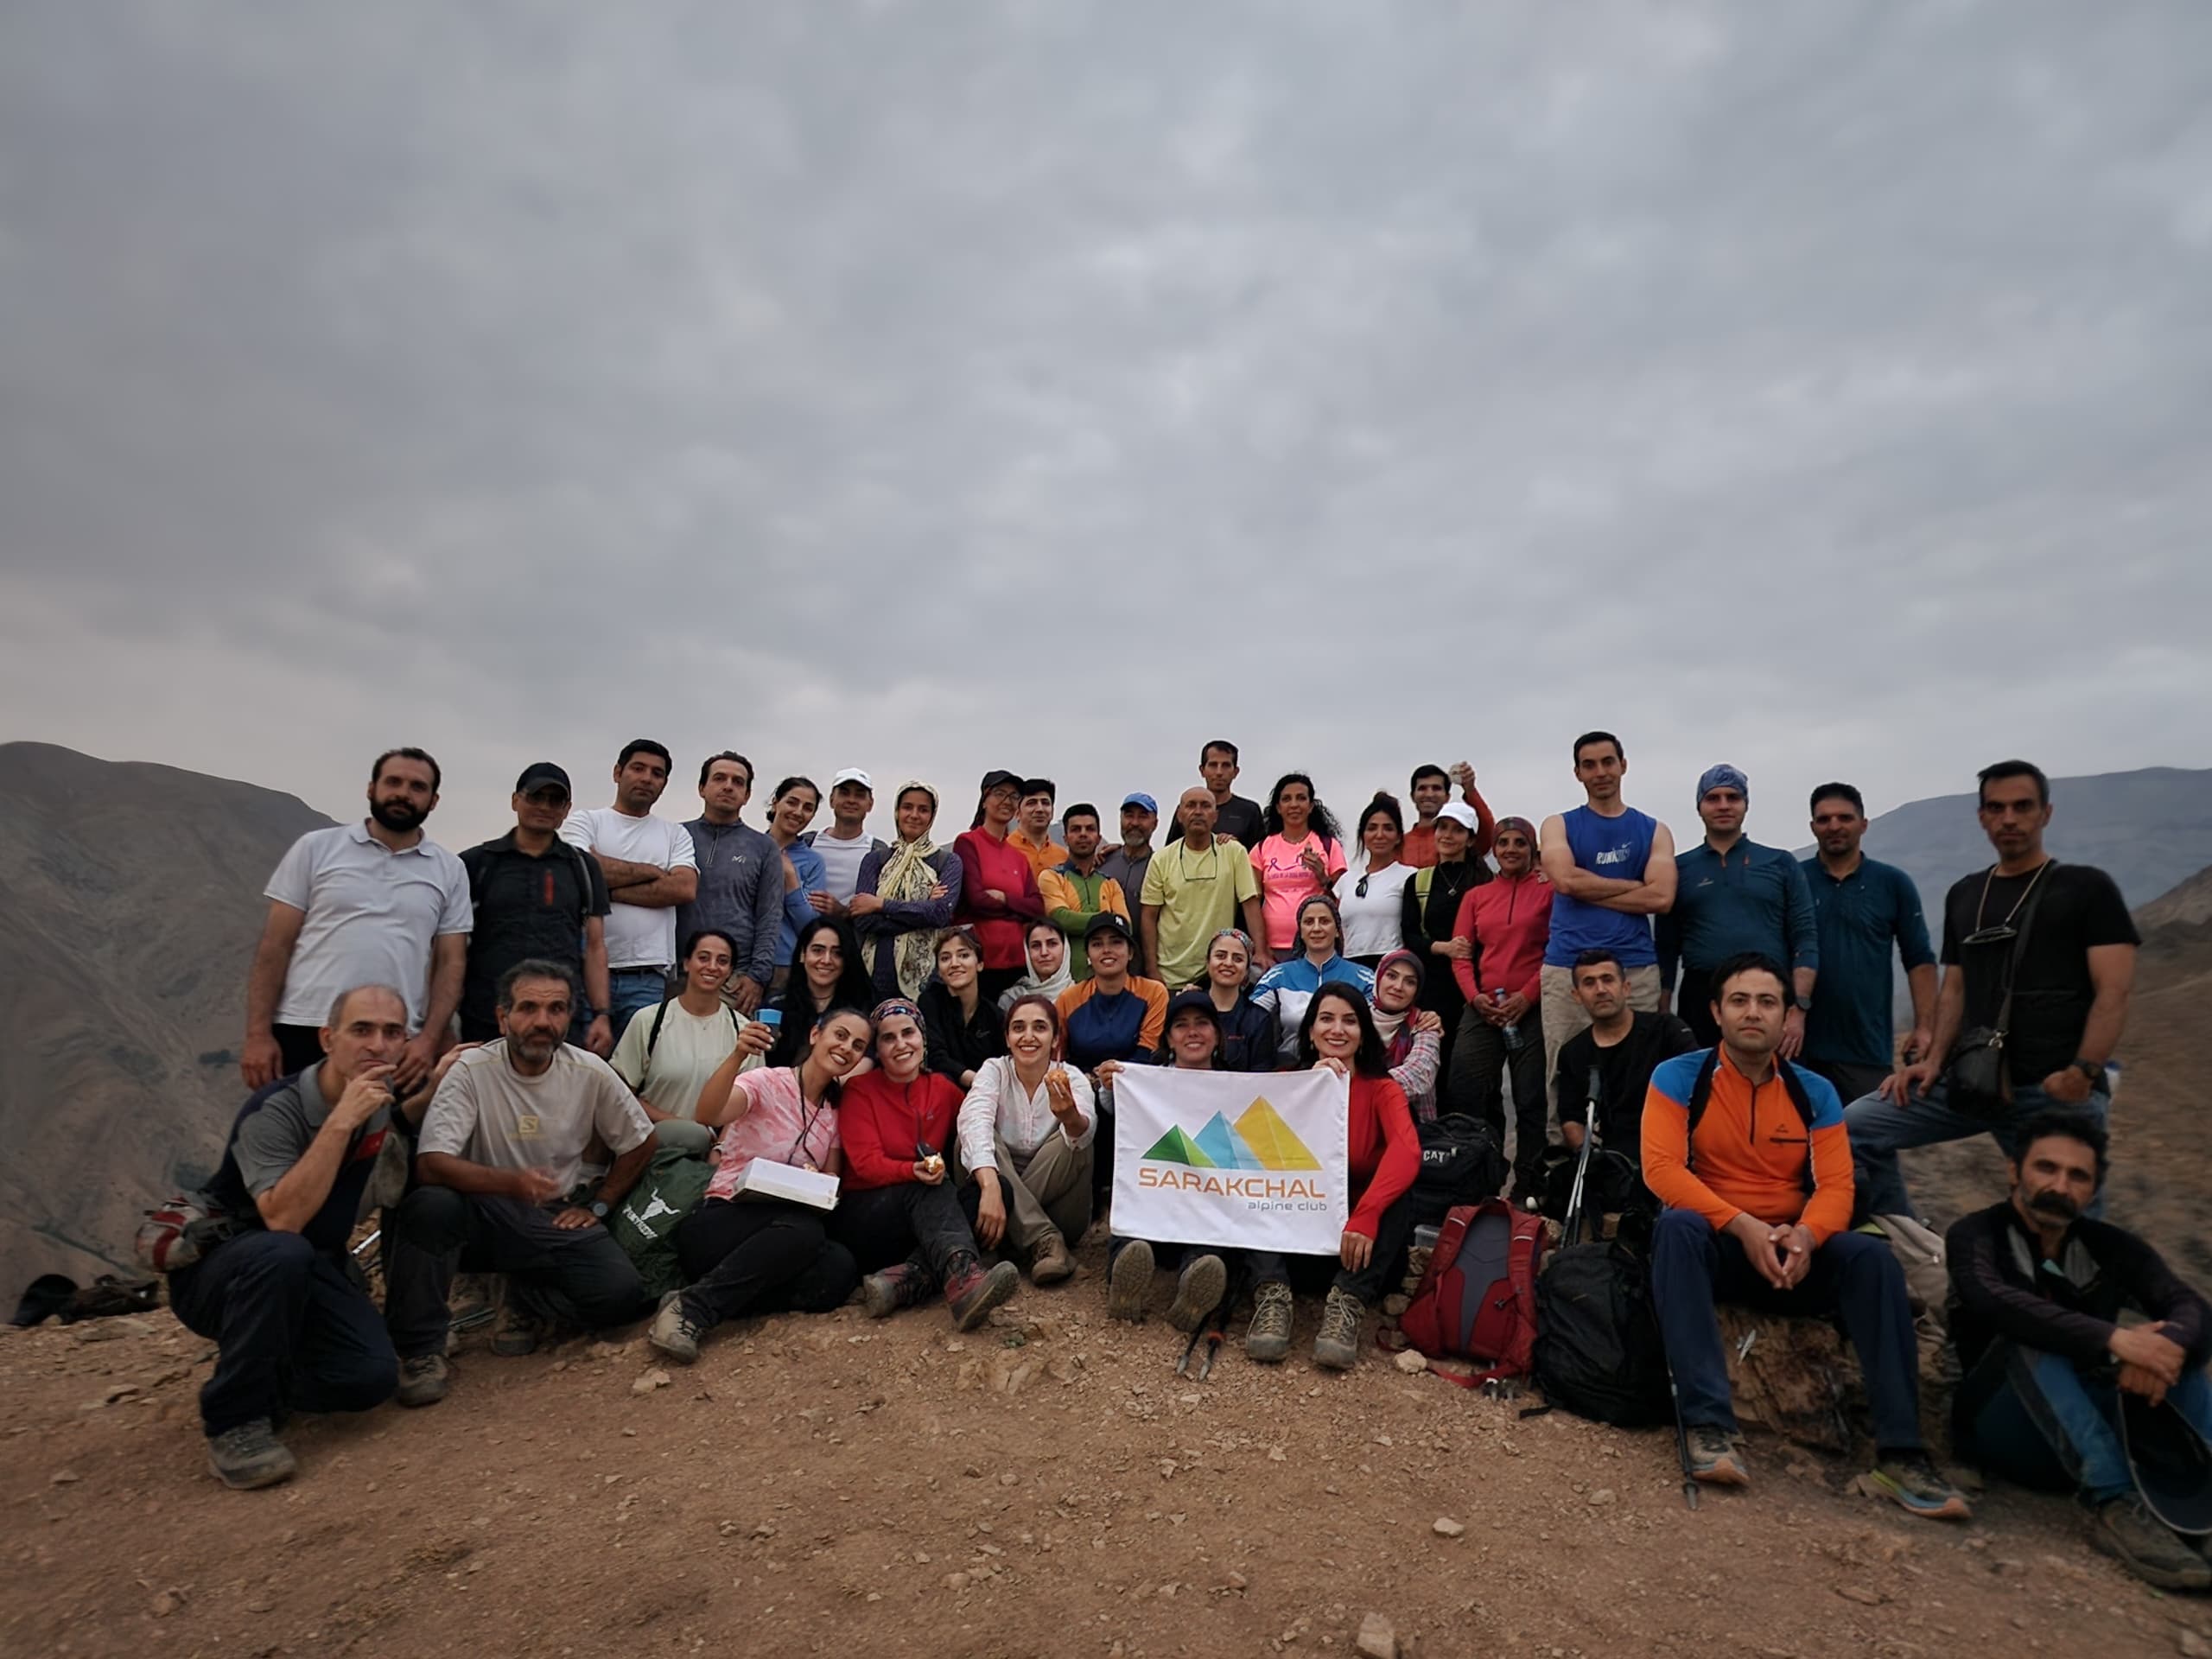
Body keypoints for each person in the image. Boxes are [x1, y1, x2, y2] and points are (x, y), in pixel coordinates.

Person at [1642, 953, 1967, 1518]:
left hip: (1794, 1252)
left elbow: (1837, 1185)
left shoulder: (1813, 1091)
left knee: (1871, 1257)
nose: (1753, 1012)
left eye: (1767, 1002)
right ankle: (1708, 1426)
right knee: (1675, 1228)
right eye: (1740, 1000)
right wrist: (1743, 1226)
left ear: (1786, 1016)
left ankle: (1902, 1454)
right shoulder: (1678, 1078)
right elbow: (1662, 1171)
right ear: (1716, 1012)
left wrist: (1808, 1238)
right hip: (1720, 1247)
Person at [1846, 760, 2139, 1220]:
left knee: (2065, 1222)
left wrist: (2083, 1073)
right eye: (1997, 808)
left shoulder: (2087, 889)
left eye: (2022, 807)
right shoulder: (1967, 894)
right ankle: (1912, 1247)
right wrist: (1932, 1063)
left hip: (2055, 1090)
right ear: (1982, 816)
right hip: (1973, 1081)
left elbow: (2114, 992)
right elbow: (1955, 988)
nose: (2009, 819)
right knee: (1853, 1128)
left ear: (2045, 813)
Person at [168, 985, 431, 1490]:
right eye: (361, 1030)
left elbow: (394, 1131)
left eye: (392, 1032)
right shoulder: (274, 1111)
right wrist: (341, 1121)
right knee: (283, 1252)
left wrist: (436, 1084)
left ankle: (267, 1375)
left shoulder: (377, 1100)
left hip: (308, 1266)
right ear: (328, 1039)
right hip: (230, 1275)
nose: (377, 1045)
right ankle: (234, 1424)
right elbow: (283, 1218)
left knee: (371, 1377)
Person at [1948, 1111, 2212, 1589]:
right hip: (2003, 1425)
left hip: (2089, 1422)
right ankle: (2115, 1506)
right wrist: (2117, 1341)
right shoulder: (1975, 1235)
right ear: (2014, 1170)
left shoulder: (2109, 1246)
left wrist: (2167, 1345)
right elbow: (1995, 1301)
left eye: (2078, 1176)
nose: (2060, 1186)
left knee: (2176, 1353)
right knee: (2031, 1337)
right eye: (2046, 1168)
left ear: (2093, 1189)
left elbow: (2191, 1306)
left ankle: (2201, 1502)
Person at [385, 961, 657, 1366]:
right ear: (503, 1017)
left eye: (556, 1009)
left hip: (551, 1214)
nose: (542, 1021)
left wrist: (601, 1203)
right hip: (479, 1211)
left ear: (569, 1017)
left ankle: (522, 1293)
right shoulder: (472, 1070)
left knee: (620, 1295)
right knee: (430, 1206)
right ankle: (420, 1348)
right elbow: (431, 1164)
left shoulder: (588, 1071)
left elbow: (642, 1140)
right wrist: (510, 1183)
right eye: (528, 1008)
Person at [645, 1007, 871, 1363]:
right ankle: (692, 1310)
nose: (846, 1048)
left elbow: (831, 1185)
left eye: (858, 1045)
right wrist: (738, 1055)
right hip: (722, 1219)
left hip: (778, 1235)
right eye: (840, 1035)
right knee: (805, 1233)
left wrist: (821, 1183)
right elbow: (709, 1114)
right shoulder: (767, 1081)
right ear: (816, 1035)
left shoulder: (833, 1112)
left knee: (839, 1270)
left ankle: (705, 1294)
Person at [243, 747, 471, 1092]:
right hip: (305, 1025)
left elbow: (450, 962)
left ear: (433, 800)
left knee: (383, 1128)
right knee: (295, 1126)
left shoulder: (449, 870)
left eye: (417, 787)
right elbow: (276, 945)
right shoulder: (316, 848)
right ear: (371, 788)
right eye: (393, 782)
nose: (403, 794)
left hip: (393, 1037)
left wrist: (428, 1039)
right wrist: (258, 1034)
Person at [1244, 987, 1421, 1370]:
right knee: (1250, 1180)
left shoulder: (1383, 1089)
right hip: (1295, 1243)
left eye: (1349, 1021)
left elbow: (1407, 1151)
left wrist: (1367, 1214)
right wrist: (1305, 1092)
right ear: (1310, 1032)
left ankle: (1346, 1305)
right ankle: (1272, 1296)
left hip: (1357, 1249)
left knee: (1398, 1193)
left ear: (1363, 1034)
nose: (1337, 1030)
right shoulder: (1285, 1081)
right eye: (1326, 1019)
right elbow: (1255, 1150)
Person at [834, 1000, 1027, 1329]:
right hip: (869, 1215)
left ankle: (904, 1281)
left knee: (994, 1191)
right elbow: (865, 1164)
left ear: (922, 1038)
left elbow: (977, 1123)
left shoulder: (942, 1088)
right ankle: (962, 1279)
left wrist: (991, 1183)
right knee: (930, 1186)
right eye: (888, 1038)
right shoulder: (860, 1090)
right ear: (877, 1050)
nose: (901, 1044)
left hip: (925, 1221)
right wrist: (912, 1171)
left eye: (908, 1033)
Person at [1538, 731, 1675, 1116]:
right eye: (1589, 765)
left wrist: (1587, 886)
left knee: (1639, 1074)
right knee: (1564, 1074)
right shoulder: (1557, 825)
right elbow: (1565, 880)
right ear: (1577, 773)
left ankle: (1635, 1151)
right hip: (1567, 969)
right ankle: (1564, 1152)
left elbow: (1662, 899)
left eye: (1608, 762)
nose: (1600, 772)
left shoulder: (1654, 830)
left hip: (1635, 969)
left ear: (1623, 765)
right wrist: (1635, 887)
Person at [1656, 765, 1819, 1049]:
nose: (1723, 806)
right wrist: (1663, 1013)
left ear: (1746, 804)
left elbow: (1805, 937)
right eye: (1713, 798)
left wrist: (1798, 1008)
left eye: (1733, 797)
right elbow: (1666, 948)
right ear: (1699, 806)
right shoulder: (1678, 869)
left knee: (1773, 1076)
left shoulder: (1780, 863)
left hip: (1768, 994)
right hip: (1701, 998)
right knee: (1703, 1076)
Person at [1104, 991, 1237, 1335]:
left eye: (1202, 1023)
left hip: (1208, 1205)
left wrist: (1319, 1075)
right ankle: (1124, 1282)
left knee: (1210, 1248)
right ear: (1168, 1039)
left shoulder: (1239, 1086)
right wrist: (1110, 1085)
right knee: (1133, 1231)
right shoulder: (1146, 1082)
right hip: (1155, 1200)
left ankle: (1193, 1290)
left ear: (1217, 1035)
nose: (1192, 1032)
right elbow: (1114, 1111)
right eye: (1181, 1025)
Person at [459, 762, 613, 1055]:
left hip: (558, 1017)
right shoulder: (476, 863)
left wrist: (602, 1014)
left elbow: (595, 946)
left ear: (567, 809)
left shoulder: (582, 867)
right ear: (515, 800)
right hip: (486, 1014)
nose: (544, 806)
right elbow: (452, 948)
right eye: (536, 797)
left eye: (555, 800)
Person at [1800, 782, 1938, 1107]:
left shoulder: (1892, 883)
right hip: (1797, 1048)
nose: (1834, 826)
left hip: (1866, 1050)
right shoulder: (1794, 880)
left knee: (1868, 1135)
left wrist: (1925, 1028)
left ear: (1863, 824)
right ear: (1813, 827)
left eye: (1845, 818)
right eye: (1824, 819)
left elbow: (1919, 959)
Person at [560, 741, 700, 1034]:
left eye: (657, 773)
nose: (647, 778)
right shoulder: (585, 821)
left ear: (664, 784)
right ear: (617, 773)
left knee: (637, 1062)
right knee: (579, 1059)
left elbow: (684, 888)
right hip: (583, 970)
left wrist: (604, 892)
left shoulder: (675, 834)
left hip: (647, 977)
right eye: (638, 768)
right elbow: (578, 870)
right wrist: (653, 872)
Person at [957, 995, 1097, 1283]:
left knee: (1076, 1142)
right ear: (1007, 1039)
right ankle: (1044, 1240)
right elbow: (974, 1118)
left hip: (1058, 1208)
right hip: (992, 1203)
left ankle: (1007, 1239)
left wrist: (1070, 1117)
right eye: (1018, 1028)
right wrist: (992, 1186)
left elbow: (1086, 1130)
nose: (1028, 1037)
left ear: (1055, 1039)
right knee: (972, 1137)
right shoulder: (994, 1070)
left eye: (1040, 1028)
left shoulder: (1071, 1077)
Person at [1446, 815, 1552, 1185]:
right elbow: (1461, 955)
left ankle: (1529, 1184)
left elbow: (1557, 949)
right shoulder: (1476, 897)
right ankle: (1478, 1178)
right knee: (1466, 1087)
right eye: (1503, 842)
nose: (1511, 849)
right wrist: (1475, 998)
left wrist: (1527, 996)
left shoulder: (1549, 891)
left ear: (1532, 848)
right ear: (1493, 849)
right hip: (1484, 1007)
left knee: (1531, 1097)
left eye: (1520, 842)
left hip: (1532, 1007)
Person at [610, 930, 772, 1154]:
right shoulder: (649, 1020)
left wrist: (719, 1149)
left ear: (730, 971)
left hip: (714, 1155)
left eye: (722, 961)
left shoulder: (744, 1031)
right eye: (703, 958)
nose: (712, 967)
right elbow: (622, 1093)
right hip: (652, 1146)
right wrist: (686, 1129)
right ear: (687, 963)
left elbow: (747, 1108)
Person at [1553, 949, 1697, 1166]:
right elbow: (1571, 1120)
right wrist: (1593, 1161)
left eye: (1608, 979)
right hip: (1613, 1164)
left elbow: (1701, 1086)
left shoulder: (1667, 1030)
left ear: (1626, 987)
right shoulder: (1573, 1052)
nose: (1600, 990)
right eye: (1589, 983)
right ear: (1577, 996)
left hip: (1674, 1152)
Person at [676, 751, 783, 1015]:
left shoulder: (764, 847)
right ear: (702, 788)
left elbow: (770, 915)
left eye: (738, 782)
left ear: (747, 795)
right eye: (719, 778)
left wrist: (757, 976)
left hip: (735, 979)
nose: (728, 786)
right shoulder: (677, 836)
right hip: (678, 973)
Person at [1399, 800, 1489, 1095]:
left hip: (1474, 985)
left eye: (1457, 830)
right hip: (1432, 987)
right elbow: (1410, 934)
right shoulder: (1419, 881)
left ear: (1470, 839)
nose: (1448, 835)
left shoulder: (1483, 880)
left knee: (1471, 1069)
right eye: (1443, 828)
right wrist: (1443, 948)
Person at [1140, 787, 1268, 990]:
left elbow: (1250, 904)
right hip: (1170, 974)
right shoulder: (1161, 859)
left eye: (1205, 806)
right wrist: (1152, 970)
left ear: (1215, 816)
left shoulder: (1234, 852)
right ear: (1179, 815)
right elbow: (1149, 916)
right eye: (1191, 806)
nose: (1198, 811)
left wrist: (1260, 951)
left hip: (1218, 972)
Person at [851, 779, 964, 1001]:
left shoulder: (947, 862)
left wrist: (881, 905)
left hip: (928, 977)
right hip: (875, 973)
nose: (914, 815)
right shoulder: (875, 860)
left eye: (923, 810)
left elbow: (941, 915)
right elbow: (863, 919)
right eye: (907, 807)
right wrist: (923, 909)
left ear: (932, 816)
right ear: (897, 811)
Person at [954, 769, 1048, 1006]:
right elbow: (976, 900)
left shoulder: (1018, 857)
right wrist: (1019, 911)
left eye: (1014, 796)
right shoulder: (967, 843)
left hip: (1017, 963)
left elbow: (1038, 907)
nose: (1007, 801)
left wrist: (1005, 899)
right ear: (985, 799)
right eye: (1000, 794)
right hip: (981, 962)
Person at [1254, 895, 1376, 1068]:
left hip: (1350, 1070)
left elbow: (1381, 1025)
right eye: (1309, 922)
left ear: (1337, 930)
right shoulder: (1278, 976)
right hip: (1293, 1071)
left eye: (1324, 921)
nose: (1316, 928)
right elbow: (1249, 1018)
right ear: (1301, 932)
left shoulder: (1364, 977)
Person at [1058, 912, 1170, 1076]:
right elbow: (1058, 1058)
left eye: (1116, 942)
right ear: (1088, 955)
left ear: (1130, 952)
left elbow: (1148, 1052)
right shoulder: (1068, 999)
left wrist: (1113, 1076)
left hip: (1135, 1082)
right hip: (1082, 1083)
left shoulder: (1154, 993)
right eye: (1097, 944)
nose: (1107, 950)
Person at [1250, 772, 1347, 961]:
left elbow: (1343, 900)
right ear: (1278, 808)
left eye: (1301, 798)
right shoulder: (1262, 848)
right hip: (1273, 950)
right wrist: (1261, 949)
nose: (1294, 805)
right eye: (1287, 799)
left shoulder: (1329, 846)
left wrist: (1323, 878)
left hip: (1317, 945)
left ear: (1311, 806)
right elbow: (1253, 903)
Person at [764, 916, 878, 1069]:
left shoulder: (862, 1008)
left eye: (837, 953)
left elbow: (865, 1062)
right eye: (818, 950)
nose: (826, 960)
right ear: (802, 954)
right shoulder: (776, 1005)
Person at [1039, 802, 1131, 980]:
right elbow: (1061, 918)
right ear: (1065, 838)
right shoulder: (1051, 877)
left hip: (1108, 978)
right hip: (1066, 980)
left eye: (1090, 829)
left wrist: (1084, 921)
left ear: (1098, 837)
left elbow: (1126, 925)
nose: (1083, 834)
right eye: (1076, 829)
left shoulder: (1110, 883)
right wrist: (1108, 919)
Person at [919, 927, 1007, 1090]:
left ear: (980, 964)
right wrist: (978, 1081)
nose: (954, 964)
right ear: (939, 971)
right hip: (943, 1091)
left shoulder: (994, 1015)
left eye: (964, 955)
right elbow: (936, 1056)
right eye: (945, 958)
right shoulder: (930, 1002)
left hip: (988, 1094)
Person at [764, 776, 830, 992]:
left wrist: (791, 879)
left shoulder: (813, 861)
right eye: (792, 802)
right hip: (742, 961)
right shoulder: (751, 847)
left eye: (808, 808)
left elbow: (810, 926)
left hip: (786, 966)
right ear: (776, 803)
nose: (798, 812)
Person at [1334, 794, 1414, 967]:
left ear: (1398, 836)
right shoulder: (1346, 881)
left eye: (1388, 828)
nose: (1379, 835)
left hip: (1391, 966)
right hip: (1350, 965)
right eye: (1372, 828)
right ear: (1363, 835)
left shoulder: (1410, 877)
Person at [1370, 948, 1444, 1121]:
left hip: (1412, 1126)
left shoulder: (1424, 1024)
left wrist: (1363, 1088)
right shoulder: (1356, 1018)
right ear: (1378, 978)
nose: (1398, 987)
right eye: (1391, 976)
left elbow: (1420, 1073)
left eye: (1409, 982)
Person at [801, 768, 888, 912]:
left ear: (870, 804)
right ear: (831, 800)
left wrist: (841, 912)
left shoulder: (879, 852)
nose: (851, 800)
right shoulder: (806, 842)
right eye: (844, 793)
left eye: (859, 795)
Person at [1165, 740, 1265, 849]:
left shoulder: (1249, 811)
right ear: (1202, 770)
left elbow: (1261, 855)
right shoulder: (1188, 809)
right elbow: (1171, 851)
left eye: (1226, 766)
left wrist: (1235, 847)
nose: (1219, 772)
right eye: (1213, 765)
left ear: (1235, 772)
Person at [1199, 929, 1276, 1072]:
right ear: (1207, 962)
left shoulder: (1259, 1019)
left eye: (1238, 959)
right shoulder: (1189, 1009)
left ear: (1247, 970)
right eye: (1220, 956)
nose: (1228, 963)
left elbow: (1262, 1077)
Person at [1400, 762, 1497, 869]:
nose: (1429, 794)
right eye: (1422, 788)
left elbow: (1488, 833)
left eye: (1436, 788)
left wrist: (1470, 790)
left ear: (1447, 797)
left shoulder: (1460, 840)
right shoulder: (1398, 844)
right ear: (1412, 796)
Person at [998, 918, 1074, 1014]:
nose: (1044, 952)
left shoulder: (1081, 997)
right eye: (1036, 946)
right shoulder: (1011, 1000)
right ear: (1027, 952)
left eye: (1052, 944)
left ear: (1065, 949)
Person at [1007, 779, 1063, 880]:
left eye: (1045, 803)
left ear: (1052, 812)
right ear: (1017, 813)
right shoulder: (1004, 850)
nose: (1040, 809)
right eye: (1031, 803)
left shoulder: (1063, 857)